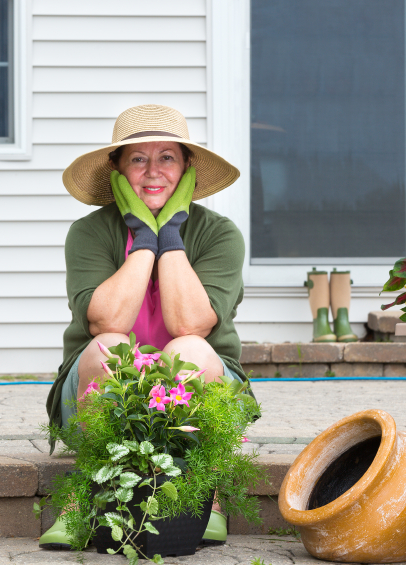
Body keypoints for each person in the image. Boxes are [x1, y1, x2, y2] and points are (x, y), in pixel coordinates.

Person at [41, 104, 252, 549]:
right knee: (108, 346)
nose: (153, 171)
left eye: (167, 158)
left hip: (204, 384)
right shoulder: (89, 233)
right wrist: (141, 236)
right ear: (117, 170)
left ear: (188, 169)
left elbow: (189, 322)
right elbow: (108, 321)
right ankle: (87, 495)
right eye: (138, 159)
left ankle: (203, 491)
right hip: (97, 386)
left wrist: (171, 232)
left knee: (189, 350)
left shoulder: (220, 235)